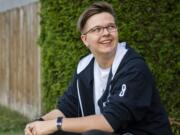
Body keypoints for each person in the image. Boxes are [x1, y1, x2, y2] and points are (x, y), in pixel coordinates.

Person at [24, 1, 173, 135]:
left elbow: (110, 122)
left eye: (111, 27)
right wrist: (39, 122)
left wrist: (56, 124)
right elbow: (66, 109)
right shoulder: (84, 67)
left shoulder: (133, 68)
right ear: (85, 39)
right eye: (97, 29)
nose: (106, 33)